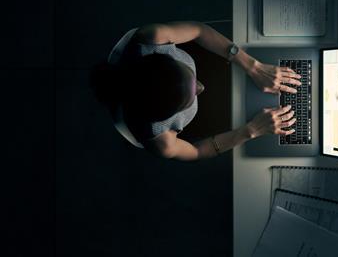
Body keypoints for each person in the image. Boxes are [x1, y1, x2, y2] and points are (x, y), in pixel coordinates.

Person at [90, 21, 301, 161]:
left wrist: (253, 66)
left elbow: (199, 31)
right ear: (166, 118)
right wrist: (250, 131)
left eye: (192, 80)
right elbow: (198, 151)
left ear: (166, 56)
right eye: (188, 99)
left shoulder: (152, 38)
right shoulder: (160, 140)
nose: (202, 87)